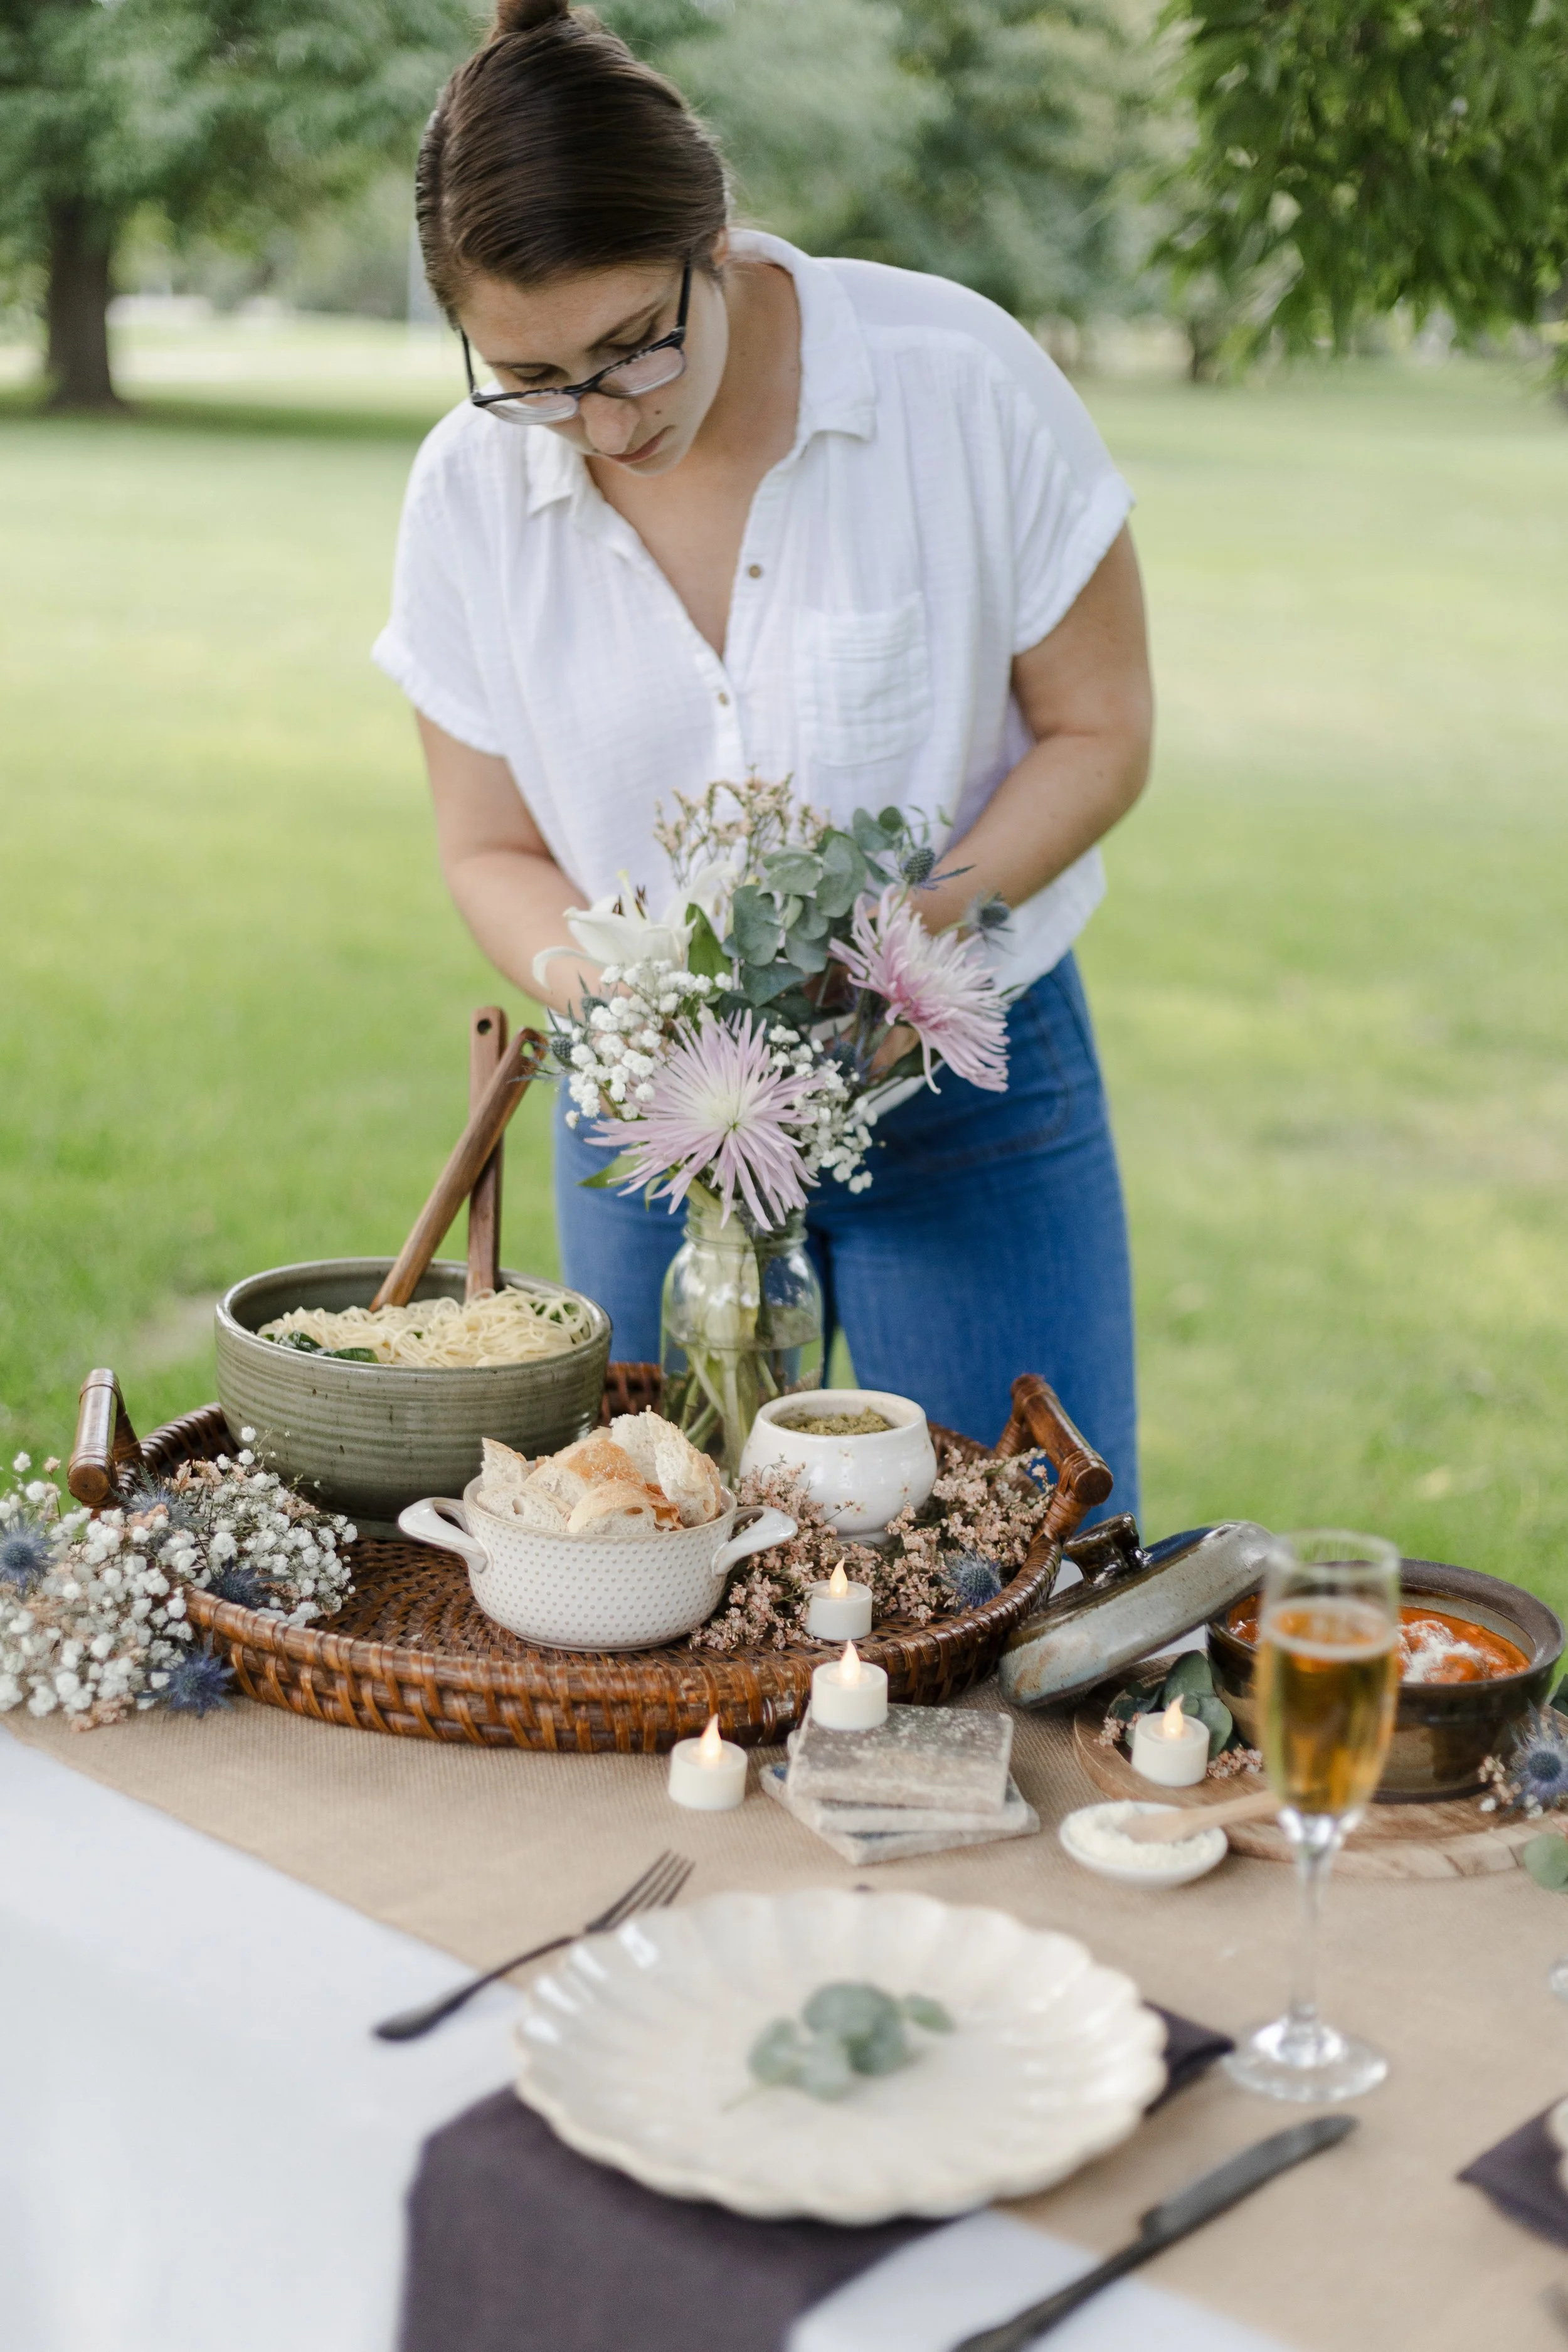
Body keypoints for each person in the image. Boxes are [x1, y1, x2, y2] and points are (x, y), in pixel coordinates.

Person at [373, 0, 1153, 1512]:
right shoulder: (465, 490)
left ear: (713, 235)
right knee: (656, 1567)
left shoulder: (957, 381)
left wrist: (891, 955)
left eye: (629, 349)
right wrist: (640, 1013)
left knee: (1022, 1565)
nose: (600, 421)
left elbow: (1099, 731)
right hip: (657, 1125)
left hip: (969, 1090)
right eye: (530, 378)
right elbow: (486, 843)